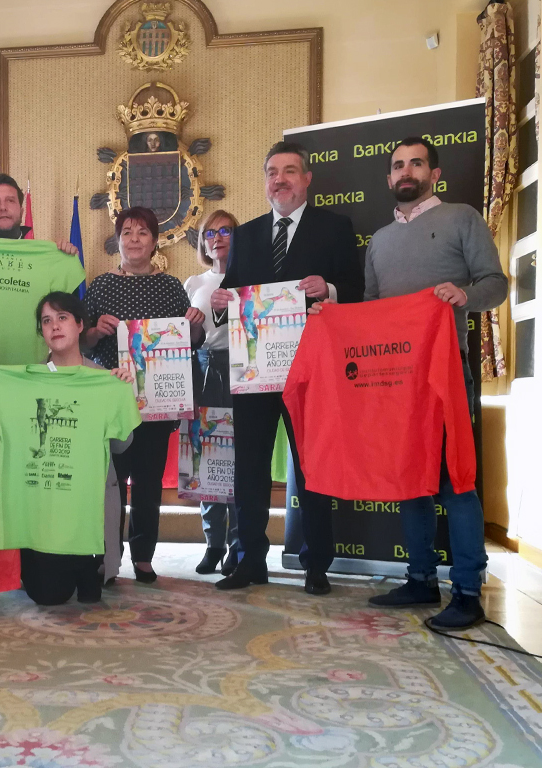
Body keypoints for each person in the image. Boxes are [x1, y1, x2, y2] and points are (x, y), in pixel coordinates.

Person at [329, 137, 505, 629]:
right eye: (398, 165)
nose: (406, 171)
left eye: (416, 163)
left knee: (455, 483)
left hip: (447, 379)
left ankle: (468, 591)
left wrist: (463, 295)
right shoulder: (380, 241)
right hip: (393, 386)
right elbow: (370, 313)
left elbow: (497, 284)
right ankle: (421, 579)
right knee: (411, 482)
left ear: (435, 172)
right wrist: (333, 320)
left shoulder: (461, 218)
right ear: (389, 179)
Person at [209, 141, 364, 596]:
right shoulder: (248, 233)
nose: (280, 179)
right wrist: (221, 302)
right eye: (272, 172)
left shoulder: (335, 228)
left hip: (311, 370)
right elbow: (233, 299)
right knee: (250, 468)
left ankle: (317, 564)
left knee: (311, 465)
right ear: (265, 181)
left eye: (290, 171)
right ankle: (249, 561)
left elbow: (356, 290)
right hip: (254, 372)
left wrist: (329, 288)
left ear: (307, 178)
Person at [0, 292, 134, 599]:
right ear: (41, 332)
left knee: (92, 591)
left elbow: (121, 446)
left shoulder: (103, 379)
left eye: (62, 318)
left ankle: (90, 565)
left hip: (88, 510)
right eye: (46, 321)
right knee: (50, 596)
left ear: (79, 325)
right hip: (41, 509)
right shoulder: (22, 383)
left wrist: (121, 393)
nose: (55, 326)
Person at [84, 206, 205, 583]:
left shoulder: (171, 286)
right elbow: (82, 345)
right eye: (127, 232)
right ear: (118, 240)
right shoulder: (101, 286)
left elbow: (189, 342)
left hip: (158, 401)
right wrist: (96, 331)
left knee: (149, 482)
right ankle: (110, 554)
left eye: (142, 233)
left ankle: (144, 556)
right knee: (113, 482)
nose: (134, 239)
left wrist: (196, 325)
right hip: (112, 399)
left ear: (154, 242)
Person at [183, 209, 240, 576]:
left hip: (241, 371)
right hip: (204, 370)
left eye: (225, 231)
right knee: (206, 457)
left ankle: (238, 545)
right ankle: (212, 544)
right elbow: (186, 339)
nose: (216, 238)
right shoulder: (192, 283)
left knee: (238, 460)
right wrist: (192, 328)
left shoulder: (250, 279)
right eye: (209, 233)